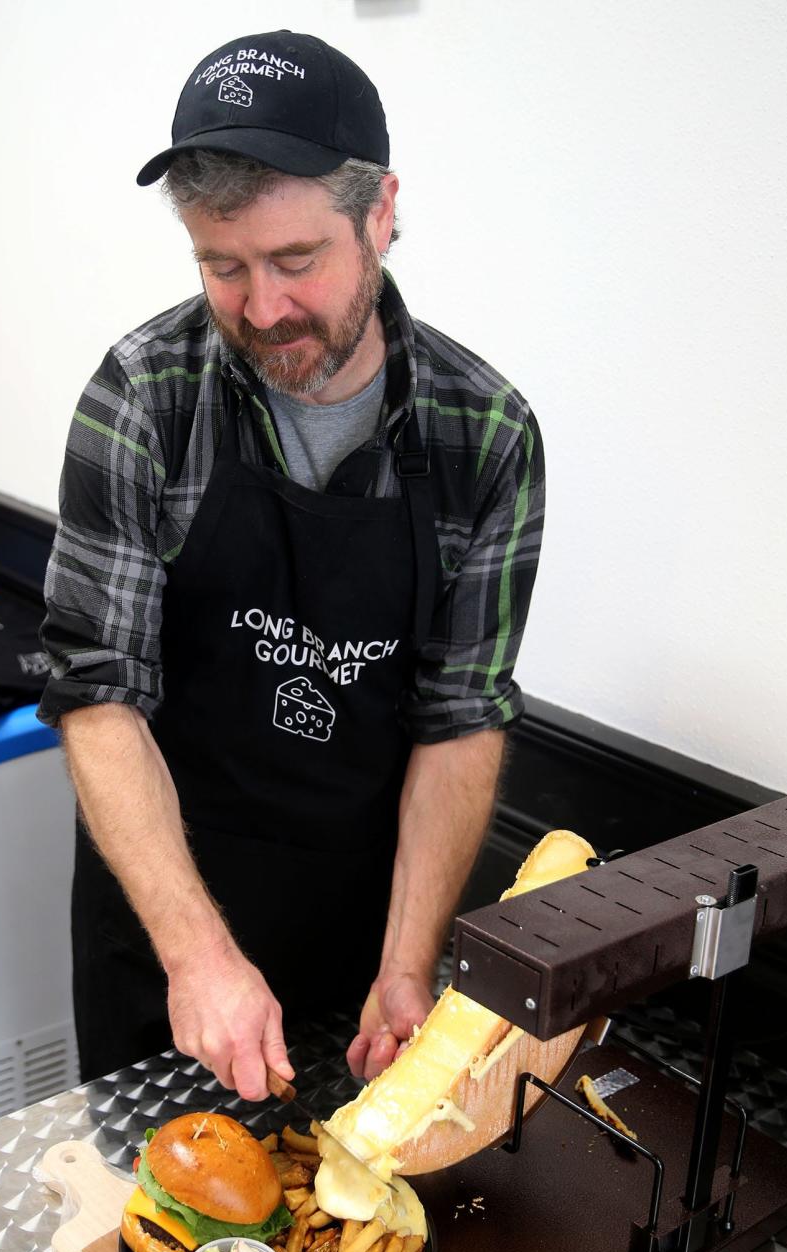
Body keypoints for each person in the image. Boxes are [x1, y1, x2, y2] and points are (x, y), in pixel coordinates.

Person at [38, 29, 544, 1101]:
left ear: (380, 213)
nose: (262, 309)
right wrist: (197, 953)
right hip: (166, 936)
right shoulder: (144, 399)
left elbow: (459, 717)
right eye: (223, 267)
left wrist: (409, 967)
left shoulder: (484, 435)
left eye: (295, 262)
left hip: (366, 931)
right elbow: (98, 696)